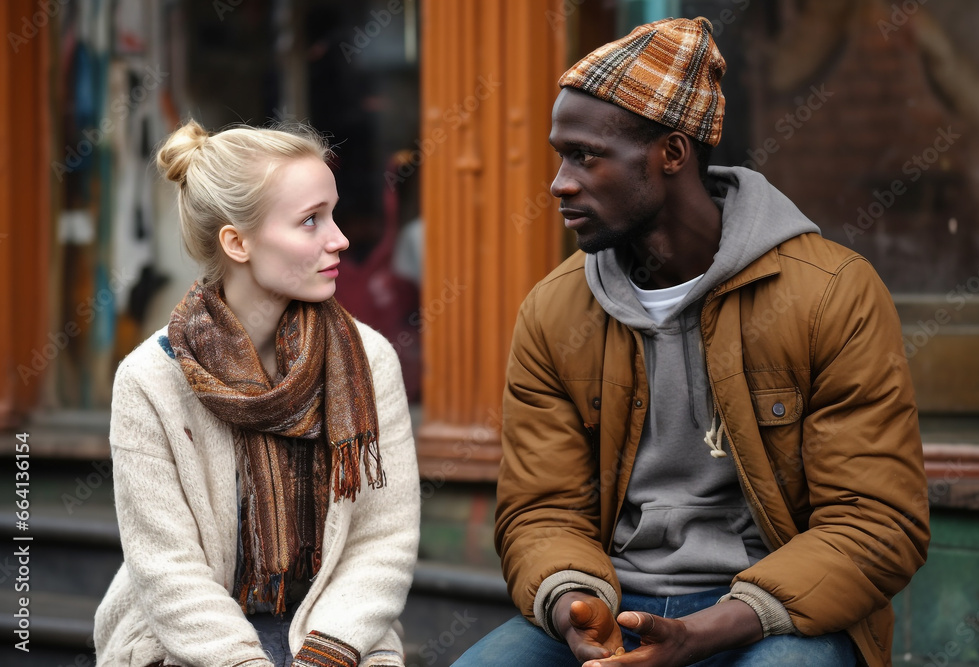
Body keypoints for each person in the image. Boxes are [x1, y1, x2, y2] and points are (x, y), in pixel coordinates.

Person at [455, 17, 929, 667]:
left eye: (586, 156)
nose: (559, 182)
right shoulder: (554, 310)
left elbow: (877, 523)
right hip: (616, 599)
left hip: (772, 615)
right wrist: (574, 603)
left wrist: (709, 630)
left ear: (672, 154)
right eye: (560, 154)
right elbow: (542, 509)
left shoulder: (831, 292)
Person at [94, 120, 420, 667]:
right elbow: (167, 570)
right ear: (237, 242)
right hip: (189, 643)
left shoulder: (369, 360)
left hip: (334, 631)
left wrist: (327, 653)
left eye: (333, 214)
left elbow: (382, 541)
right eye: (310, 220)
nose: (339, 238)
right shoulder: (150, 380)